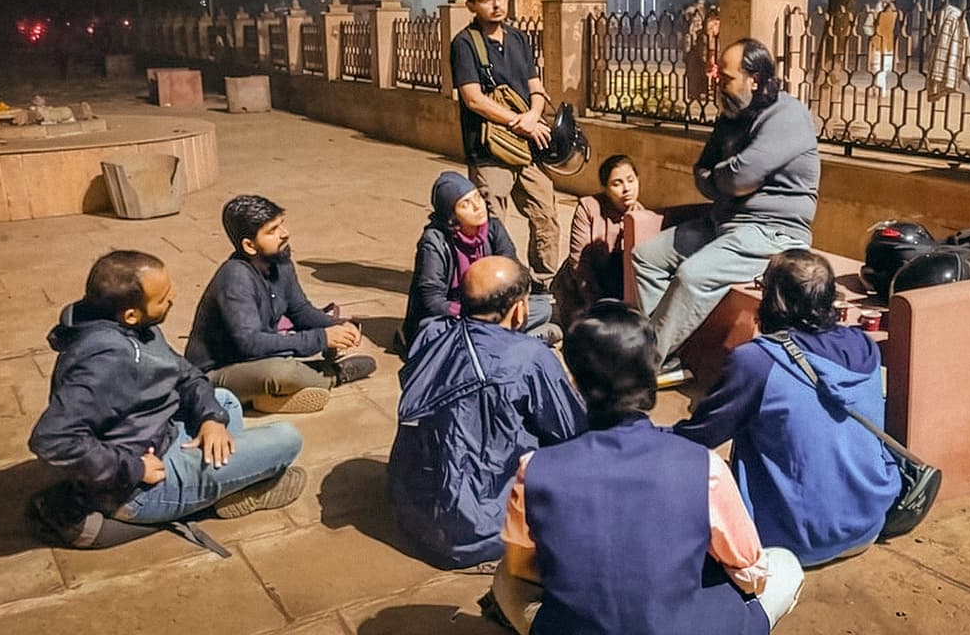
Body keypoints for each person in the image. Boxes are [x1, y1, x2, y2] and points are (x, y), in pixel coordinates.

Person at [490, 300, 803, 634]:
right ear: (653, 376)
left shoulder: (536, 469)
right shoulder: (704, 467)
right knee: (785, 565)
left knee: (505, 578)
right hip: (685, 625)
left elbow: (524, 567)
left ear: (574, 383)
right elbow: (750, 573)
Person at [29, 251, 306, 526]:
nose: (172, 298)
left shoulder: (137, 329)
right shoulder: (105, 361)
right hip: (139, 489)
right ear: (131, 314)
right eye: (161, 299)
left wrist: (210, 419)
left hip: (160, 434)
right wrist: (135, 470)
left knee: (225, 402)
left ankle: (225, 478)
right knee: (287, 438)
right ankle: (226, 491)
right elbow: (53, 439)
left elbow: (187, 376)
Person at [674, 250, 900, 567]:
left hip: (789, 542)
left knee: (689, 475)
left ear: (774, 300)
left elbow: (697, 440)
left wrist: (641, 437)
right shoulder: (863, 345)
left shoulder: (756, 361)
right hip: (867, 525)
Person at [386, 256, 586, 570]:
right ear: (520, 309)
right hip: (482, 531)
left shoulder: (429, 335)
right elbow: (572, 431)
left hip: (415, 514)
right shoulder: (529, 357)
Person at [633, 38, 821, 365]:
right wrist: (728, 178)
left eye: (726, 78)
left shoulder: (787, 114)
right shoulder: (731, 115)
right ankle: (666, 351)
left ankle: (644, 365)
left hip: (772, 232)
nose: (717, 82)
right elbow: (704, 174)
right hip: (724, 223)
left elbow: (739, 178)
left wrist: (728, 179)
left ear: (755, 78)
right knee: (646, 257)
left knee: (692, 276)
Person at [186, 195, 376, 414]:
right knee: (282, 373)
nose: (284, 233)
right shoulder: (235, 278)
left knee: (284, 362)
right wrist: (320, 338)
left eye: (281, 224)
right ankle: (333, 375)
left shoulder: (279, 262)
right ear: (249, 245)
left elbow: (301, 311)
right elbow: (250, 344)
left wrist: (336, 327)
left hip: (258, 360)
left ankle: (272, 396)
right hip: (216, 374)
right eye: (272, 230)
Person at [451, 0, 561, 287]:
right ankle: (497, 285)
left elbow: (536, 88)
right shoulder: (465, 44)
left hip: (527, 147)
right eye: (486, 0)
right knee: (490, 222)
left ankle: (544, 282)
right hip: (489, 150)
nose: (496, 5)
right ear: (472, 5)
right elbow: (473, 99)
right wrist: (517, 121)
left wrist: (533, 116)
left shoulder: (517, 38)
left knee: (545, 215)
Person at [400, 171, 559, 350]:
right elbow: (432, 301)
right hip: (455, 315)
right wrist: (475, 315)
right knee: (432, 331)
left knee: (542, 308)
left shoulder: (493, 227)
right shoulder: (434, 241)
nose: (477, 206)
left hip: (490, 309)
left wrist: (509, 303)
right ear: (452, 218)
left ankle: (489, 342)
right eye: (465, 204)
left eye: (477, 197)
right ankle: (524, 339)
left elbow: (515, 270)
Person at [549, 155, 656, 328]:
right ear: (605, 188)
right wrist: (598, 305)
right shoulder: (589, 207)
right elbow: (579, 262)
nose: (626, 189)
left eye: (630, 180)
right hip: (581, 288)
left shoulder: (643, 217)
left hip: (619, 291)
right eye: (617, 183)